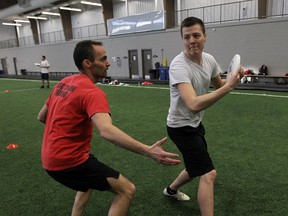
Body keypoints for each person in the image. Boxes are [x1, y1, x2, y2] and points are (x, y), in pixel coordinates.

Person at [37, 40, 181, 216]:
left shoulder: (63, 83)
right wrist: (148, 151)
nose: (108, 62)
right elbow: (106, 131)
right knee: (126, 190)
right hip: (69, 161)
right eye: (103, 58)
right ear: (88, 63)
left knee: (87, 182)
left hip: (49, 159)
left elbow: (42, 116)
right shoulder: (92, 92)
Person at [162, 17, 243, 216]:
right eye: (186, 37)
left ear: (204, 37)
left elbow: (219, 86)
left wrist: (232, 80)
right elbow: (193, 105)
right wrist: (228, 88)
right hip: (180, 127)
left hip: (195, 124)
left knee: (195, 166)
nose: (192, 41)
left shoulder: (210, 60)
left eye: (196, 35)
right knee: (208, 173)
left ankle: (170, 191)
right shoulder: (178, 66)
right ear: (182, 40)